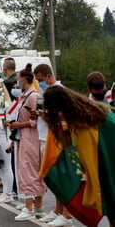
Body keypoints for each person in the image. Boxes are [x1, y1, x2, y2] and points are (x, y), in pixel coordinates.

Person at [40, 86, 115, 227]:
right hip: (107, 160)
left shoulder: (86, 123)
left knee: (110, 201)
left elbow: (92, 154)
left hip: (108, 161)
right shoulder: (86, 112)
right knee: (110, 205)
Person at [34, 63, 73, 226]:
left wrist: (46, 115)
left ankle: (67, 215)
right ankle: (58, 211)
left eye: (40, 79)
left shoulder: (59, 90)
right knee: (55, 177)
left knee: (62, 177)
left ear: (48, 76)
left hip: (58, 138)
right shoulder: (46, 91)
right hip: (46, 137)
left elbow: (63, 115)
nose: (39, 82)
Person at [6, 64, 46, 221]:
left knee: (29, 170)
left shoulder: (33, 96)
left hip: (30, 137)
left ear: (23, 79)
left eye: (19, 79)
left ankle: (31, 207)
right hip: (23, 136)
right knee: (29, 169)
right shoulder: (24, 96)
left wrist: (17, 125)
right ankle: (36, 206)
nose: (17, 82)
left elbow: (34, 120)